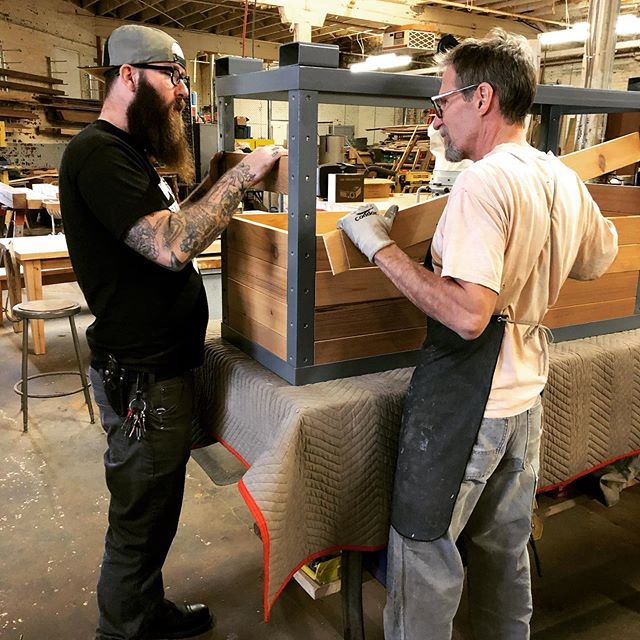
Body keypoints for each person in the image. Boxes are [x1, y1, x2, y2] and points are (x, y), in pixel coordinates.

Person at [337, 29, 618, 640]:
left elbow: (467, 315)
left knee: (423, 554)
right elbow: (599, 259)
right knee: (502, 554)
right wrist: (536, 255)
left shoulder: (484, 181)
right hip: (524, 399)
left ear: (482, 97)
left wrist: (382, 248)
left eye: (443, 101)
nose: (436, 119)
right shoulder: (557, 174)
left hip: (471, 400)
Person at [59, 24, 284, 640]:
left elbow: (169, 219)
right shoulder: (96, 153)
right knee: (139, 517)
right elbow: (168, 244)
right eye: (174, 75)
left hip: (159, 369)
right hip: (140, 377)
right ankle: (122, 628)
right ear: (128, 76)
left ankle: (143, 611)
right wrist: (242, 180)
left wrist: (216, 179)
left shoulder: (129, 154)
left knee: (156, 510)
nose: (185, 91)